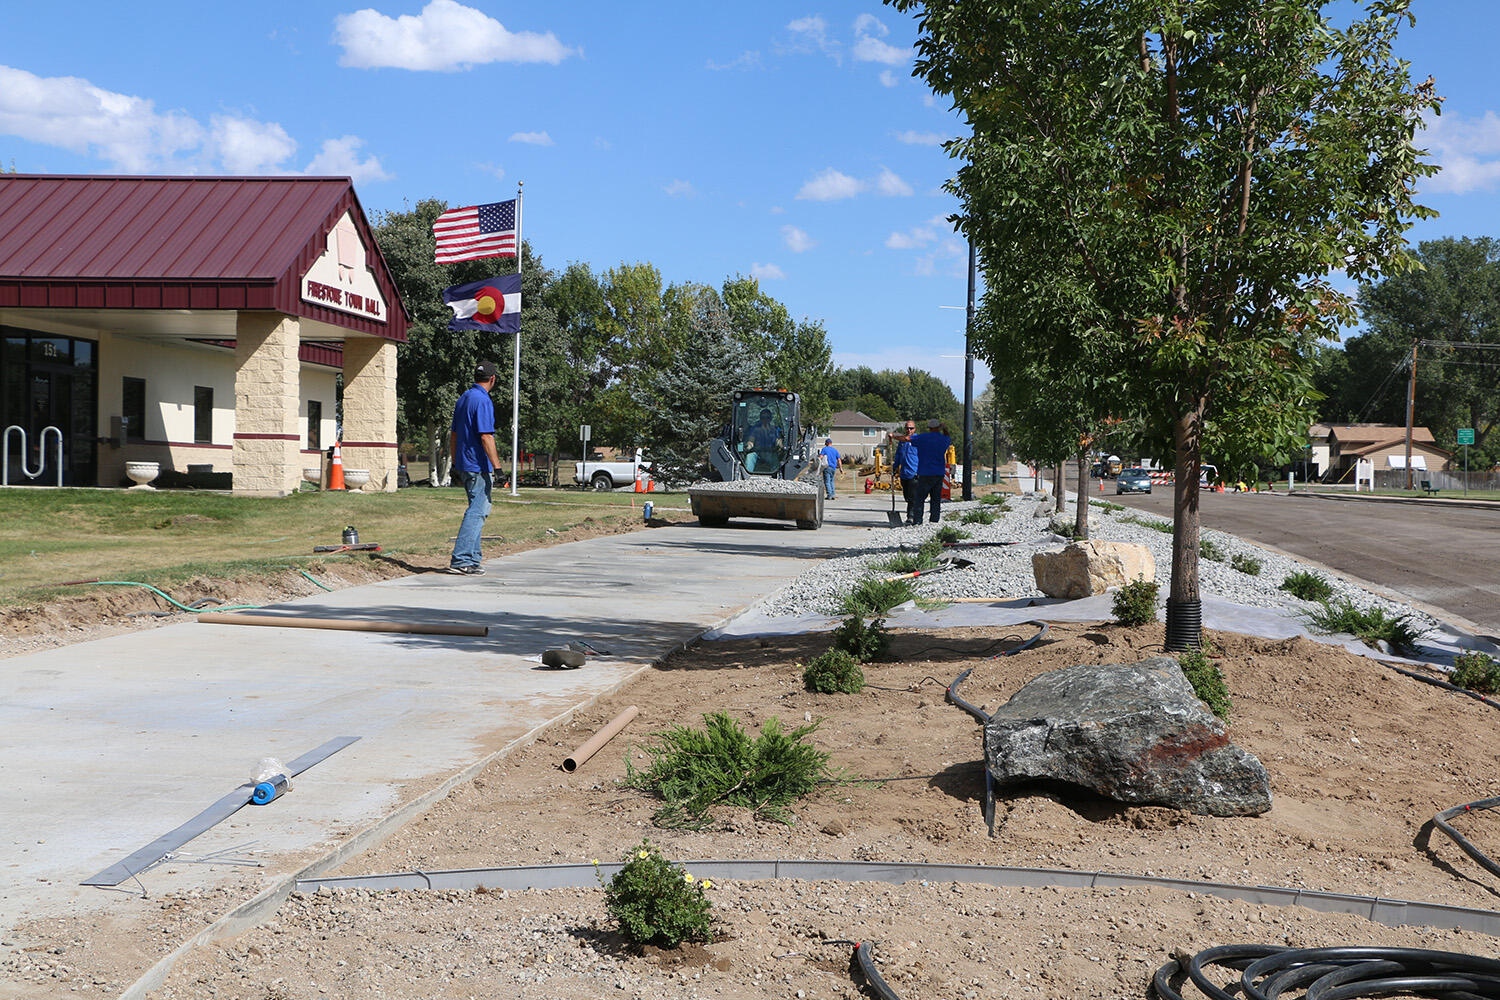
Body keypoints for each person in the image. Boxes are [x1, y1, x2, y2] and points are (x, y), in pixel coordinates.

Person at [448, 361, 502, 575]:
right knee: (478, 511)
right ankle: (461, 559)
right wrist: (498, 468)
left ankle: (472, 558)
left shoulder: (464, 398)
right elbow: (486, 435)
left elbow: (453, 434)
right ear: (493, 379)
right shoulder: (482, 400)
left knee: (476, 509)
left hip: (463, 462)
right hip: (478, 465)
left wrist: (454, 462)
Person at [909, 418, 953, 524]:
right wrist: (945, 428)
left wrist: (894, 436)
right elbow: (948, 437)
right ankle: (934, 520)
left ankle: (918, 520)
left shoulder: (922, 438)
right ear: (938, 428)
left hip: (924, 472)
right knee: (935, 499)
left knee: (920, 499)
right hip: (938, 473)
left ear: (929, 428)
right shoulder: (943, 439)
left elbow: (908, 439)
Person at [890, 420, 920, 525]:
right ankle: (914, 513)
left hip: (915, 473)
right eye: (907, 428)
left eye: (911, 428)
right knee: (907, 496)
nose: (909, 430)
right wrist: (894, 468)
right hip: (904, 474)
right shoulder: (902, 442)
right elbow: (898, 456)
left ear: (914, 429)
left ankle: (911, 517)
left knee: (912, 497)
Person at [744, 407, 784, 473]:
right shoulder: (755, 429)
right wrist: (748, 446)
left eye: (767, 417)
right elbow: (751, 441)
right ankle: (746, 475)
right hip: (757, 452)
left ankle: (777, 476)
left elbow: (778, 440)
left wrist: (781, 446)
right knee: (749, 457)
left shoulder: (775, 429)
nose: (765, 419)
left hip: (770, 453)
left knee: (776, 460)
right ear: (760, 418)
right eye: (763, 417)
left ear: (770, 419)